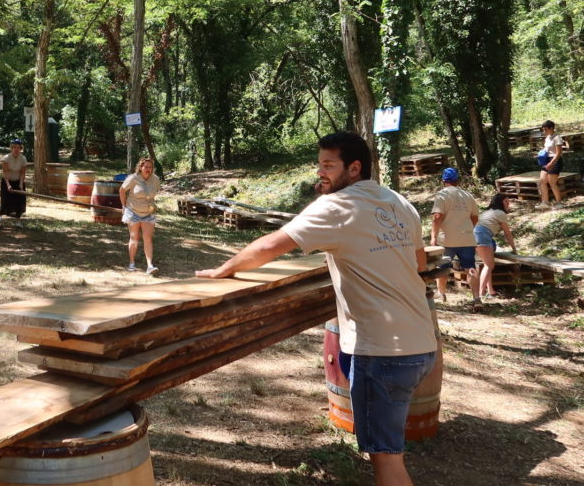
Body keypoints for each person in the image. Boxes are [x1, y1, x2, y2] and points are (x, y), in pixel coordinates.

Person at [196, 132, 436, 486]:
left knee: (387, 460)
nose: (320, 172)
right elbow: (417, 263)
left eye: (328, 165)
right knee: (388, 450)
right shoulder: (398, 201)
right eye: (319, 164)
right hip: (420, 343)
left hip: (382, 352)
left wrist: (224, 269)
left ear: (354, 168)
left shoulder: (336, 207)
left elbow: (271, 245)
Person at [431, 167, 482, 311]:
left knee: (442, 266)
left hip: (447, 239)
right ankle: (477, 298)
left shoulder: (442, 195)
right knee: (470, 267)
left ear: (443, 181)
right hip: (466, 238)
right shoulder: (467, 195)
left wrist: (433, 236)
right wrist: (467, 229)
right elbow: (475, 217)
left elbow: (437, 217)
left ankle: (442, 294)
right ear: (457, 180)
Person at [119, 157, 161, 275]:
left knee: (148, 239)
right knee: (134, 238)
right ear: (141, 167)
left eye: (150, 167)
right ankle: (131, 263)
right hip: (133, 212)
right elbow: (122, 190)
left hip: (148, 213)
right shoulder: (133, 178)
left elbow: (154, 194)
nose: (148, 169)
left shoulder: (156, 179)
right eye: (146, 167)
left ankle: (150, 266)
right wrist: (124, 207)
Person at [474, 194, 517, 299]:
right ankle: (480, 294)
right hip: (482, 235)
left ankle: (490, 291)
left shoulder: (487, 212)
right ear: (500, 202)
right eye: (506, 202)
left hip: (476, 235)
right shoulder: (500, 213)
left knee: (487, 264)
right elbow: (507, 233)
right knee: (489, 265)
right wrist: (514, 249)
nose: (508, 204)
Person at [536, 120, 564, 210]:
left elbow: (558, 153)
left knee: (552, 183)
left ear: (551, 128)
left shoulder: (557, 138)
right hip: (546, 160)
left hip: (555, 160)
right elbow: (546, 149)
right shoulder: (547, 137)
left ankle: (559, 203)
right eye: (543, 129)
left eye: (546, 129)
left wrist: (551, 163)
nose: (544, 131)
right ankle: (545, 202)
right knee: (542, 181)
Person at [0, 139, 27, 219]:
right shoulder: (6, 158)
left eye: (18, 147)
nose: (16, 149)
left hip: (18, 181)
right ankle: (0, 216)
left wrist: (21, 185)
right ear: (11, 148)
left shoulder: (23, 159)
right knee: (5, 199)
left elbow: (22, 173)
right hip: (7, 180)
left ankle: (18, 217)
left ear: (20, 149)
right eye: (14, 147)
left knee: (19, 200)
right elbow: (5, 172)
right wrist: (8, 185)